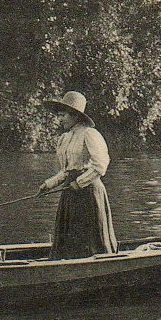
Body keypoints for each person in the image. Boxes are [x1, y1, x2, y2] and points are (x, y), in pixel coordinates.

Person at [35, 91, 118, 260]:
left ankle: (96, 264)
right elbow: (66, 171)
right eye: (59, 115)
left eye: (63, 115)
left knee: (89, 237)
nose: (60, 119)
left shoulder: (89, 134)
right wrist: (48, 184)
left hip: (88, 192)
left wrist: (79, 183)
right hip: (70, 192)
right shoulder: (65, 138)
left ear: (75, 116)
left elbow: (101, 165)